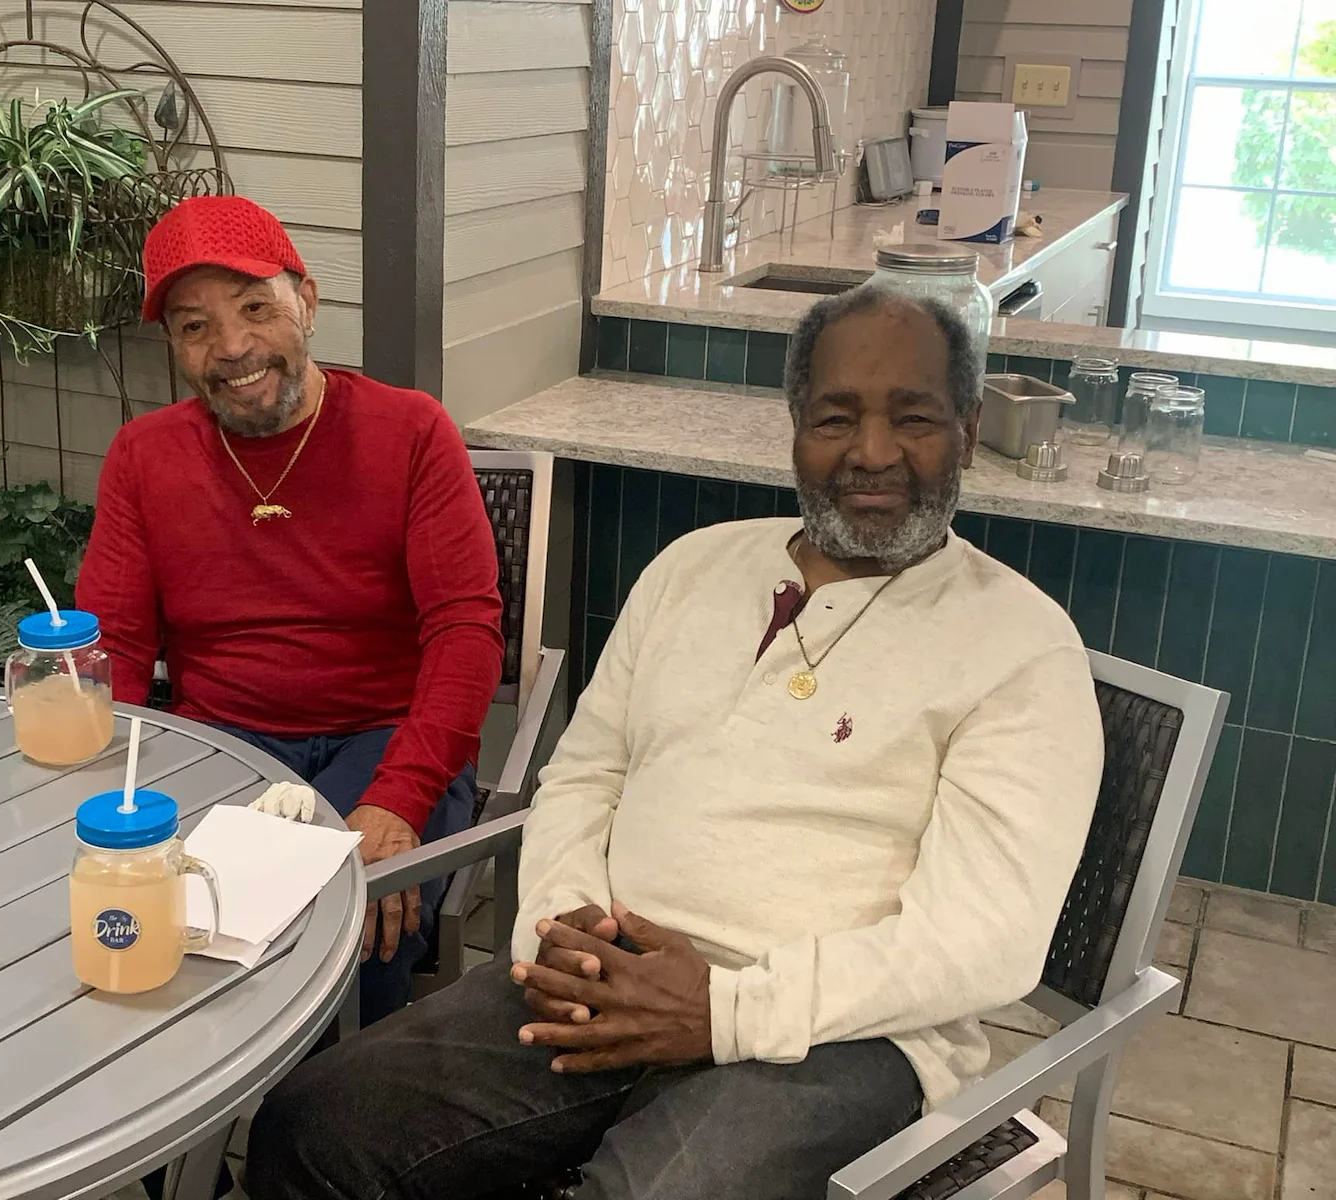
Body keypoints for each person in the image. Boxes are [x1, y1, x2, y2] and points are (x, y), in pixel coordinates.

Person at [243, 286, 1105, 1200]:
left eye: (916, 417)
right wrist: (566, 922)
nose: (873, 452)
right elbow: (586, 773)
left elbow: (984, 942)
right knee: (313, 1128)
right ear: (794, 426)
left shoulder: (1020, 647)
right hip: (601, 973)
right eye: (836, 416)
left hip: (842, 1037)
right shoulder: (693, 568)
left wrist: (722, 1012)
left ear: (969, 429)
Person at [76, 194, 505, 1026]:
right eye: (195, 326)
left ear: (306, 301)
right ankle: (189, 1157)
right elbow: (117, 649)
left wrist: (398, 799)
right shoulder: (144, 456)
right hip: (219, 737)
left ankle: (329, 1150)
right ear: (173, 345)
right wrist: (107, 801)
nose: (233, 348)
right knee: (151, 933)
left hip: (385, 737)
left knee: (356, 944)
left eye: (255, 309)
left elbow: (465, 632)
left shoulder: (413, 432)